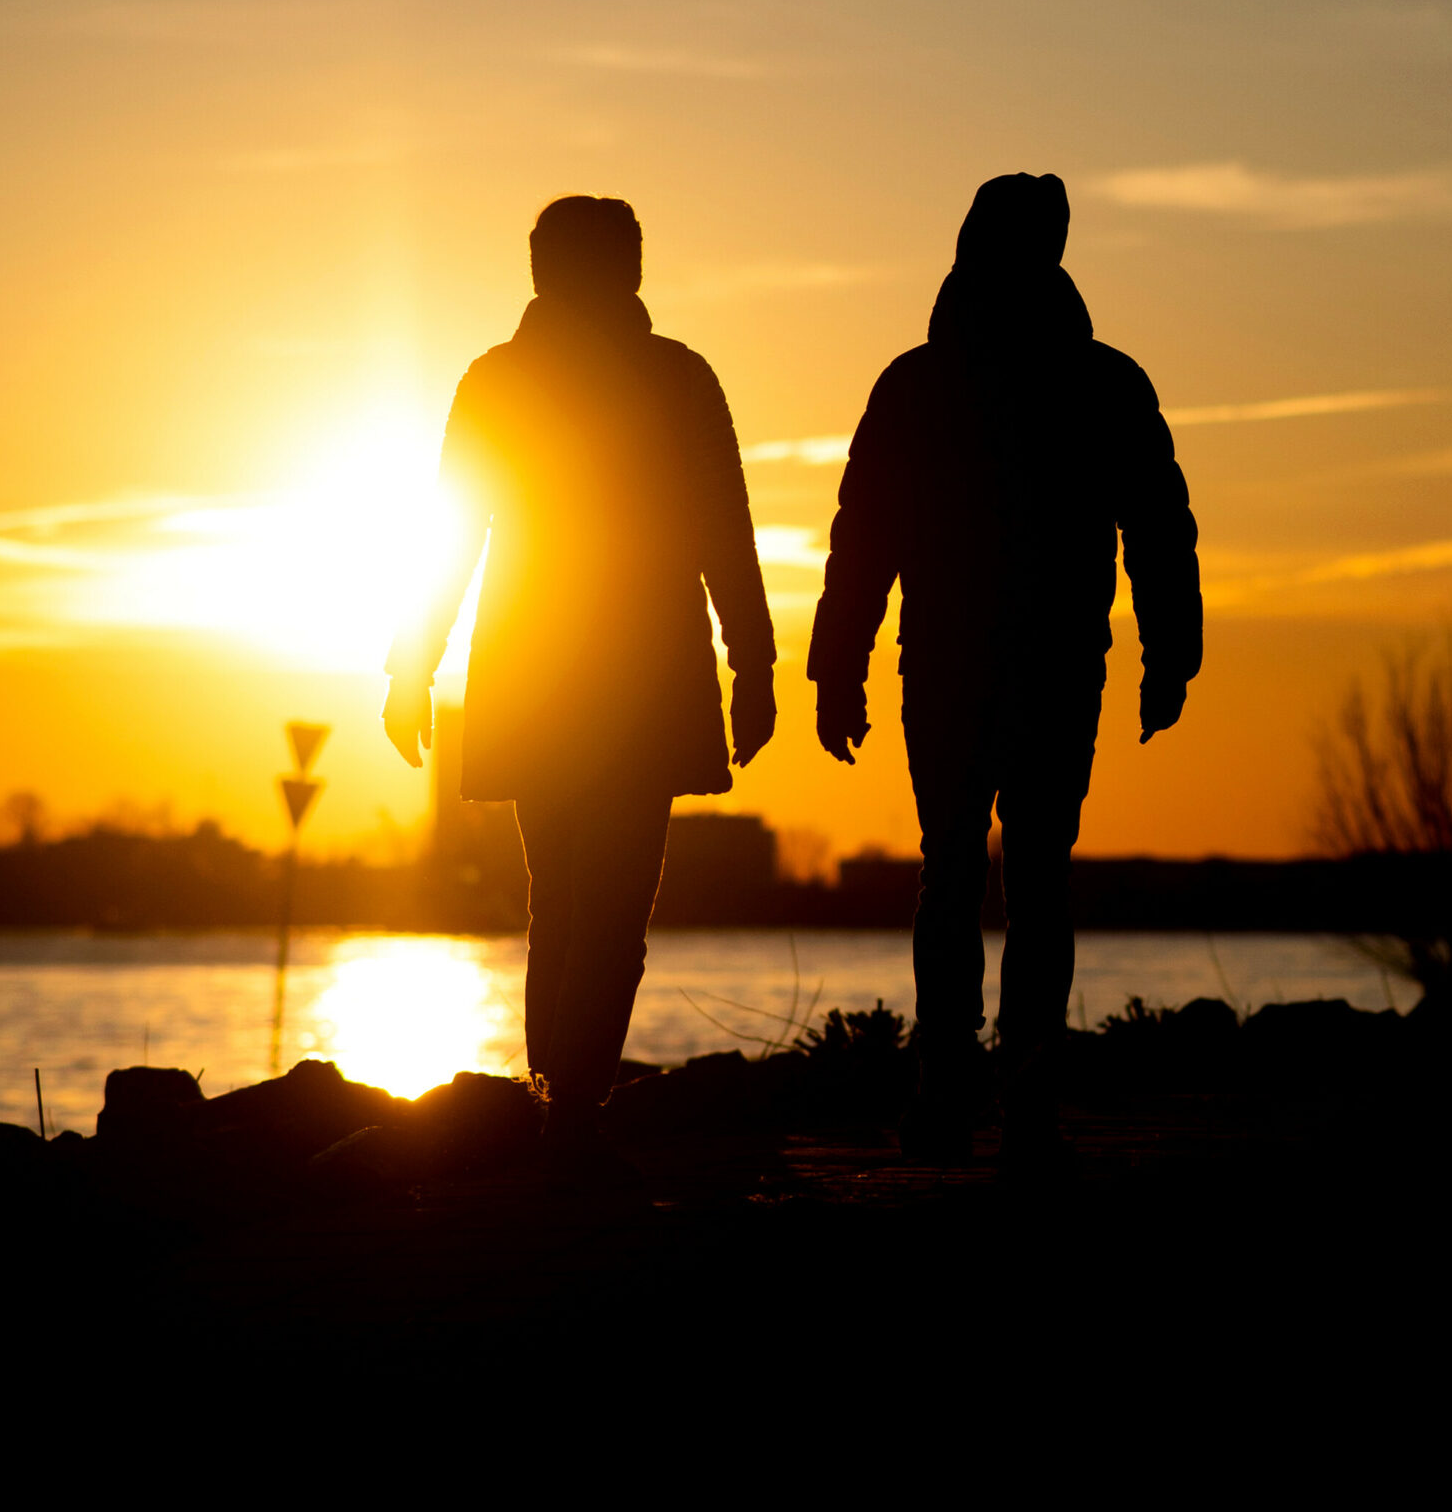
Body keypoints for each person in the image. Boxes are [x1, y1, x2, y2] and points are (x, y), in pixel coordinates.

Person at [809, 172, 1201, 1170]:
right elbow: (1157, 527)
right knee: (1028, 878)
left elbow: (864, 540)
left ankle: (959, 1089)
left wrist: (837, 664)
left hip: (965, 657)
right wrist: (1170, 651)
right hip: (1045, 657)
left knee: (964, 873)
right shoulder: (1097, 378)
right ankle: (1011, 1094)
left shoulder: (921, 381)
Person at [384, 195, 776, 1166]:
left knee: (563, 902)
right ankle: (568, 1104)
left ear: (539, 272)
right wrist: (754, 663)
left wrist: (413, 663)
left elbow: (452, 531)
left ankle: (562, 1098)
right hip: (627, 671)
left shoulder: (505, 379)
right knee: (594, 905)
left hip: (548, 668)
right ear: (626, 271)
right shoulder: (672, 376)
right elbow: (723, 527)